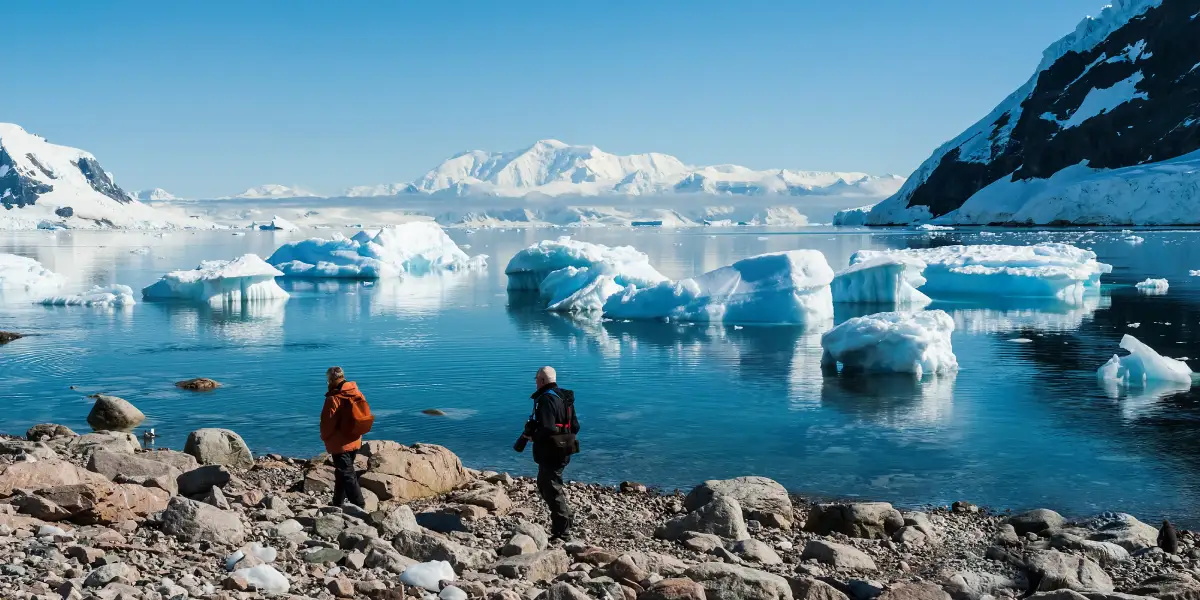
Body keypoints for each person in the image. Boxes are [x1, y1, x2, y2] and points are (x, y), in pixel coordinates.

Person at [518, 366, 581, 540]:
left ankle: (562, 530)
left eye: (537, 379)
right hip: (565, 448)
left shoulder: (545, 400)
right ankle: (566, 518)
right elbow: (575, 426)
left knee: (551, 488)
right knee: (547, 484)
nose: (536, 382)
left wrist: (533, 436)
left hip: (550, 451)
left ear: (543, 381)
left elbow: (547, 427)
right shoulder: (565, 398)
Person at [320, 366, 367, 508]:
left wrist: (324, 437)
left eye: (327, 380)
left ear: (331, 379)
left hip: (340, 444)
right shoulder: (356, 392)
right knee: (342, 472)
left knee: (347, 474)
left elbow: (327, 424)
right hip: (355, 438)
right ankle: (337, 503)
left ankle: (359, 506)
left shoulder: (333, 399)